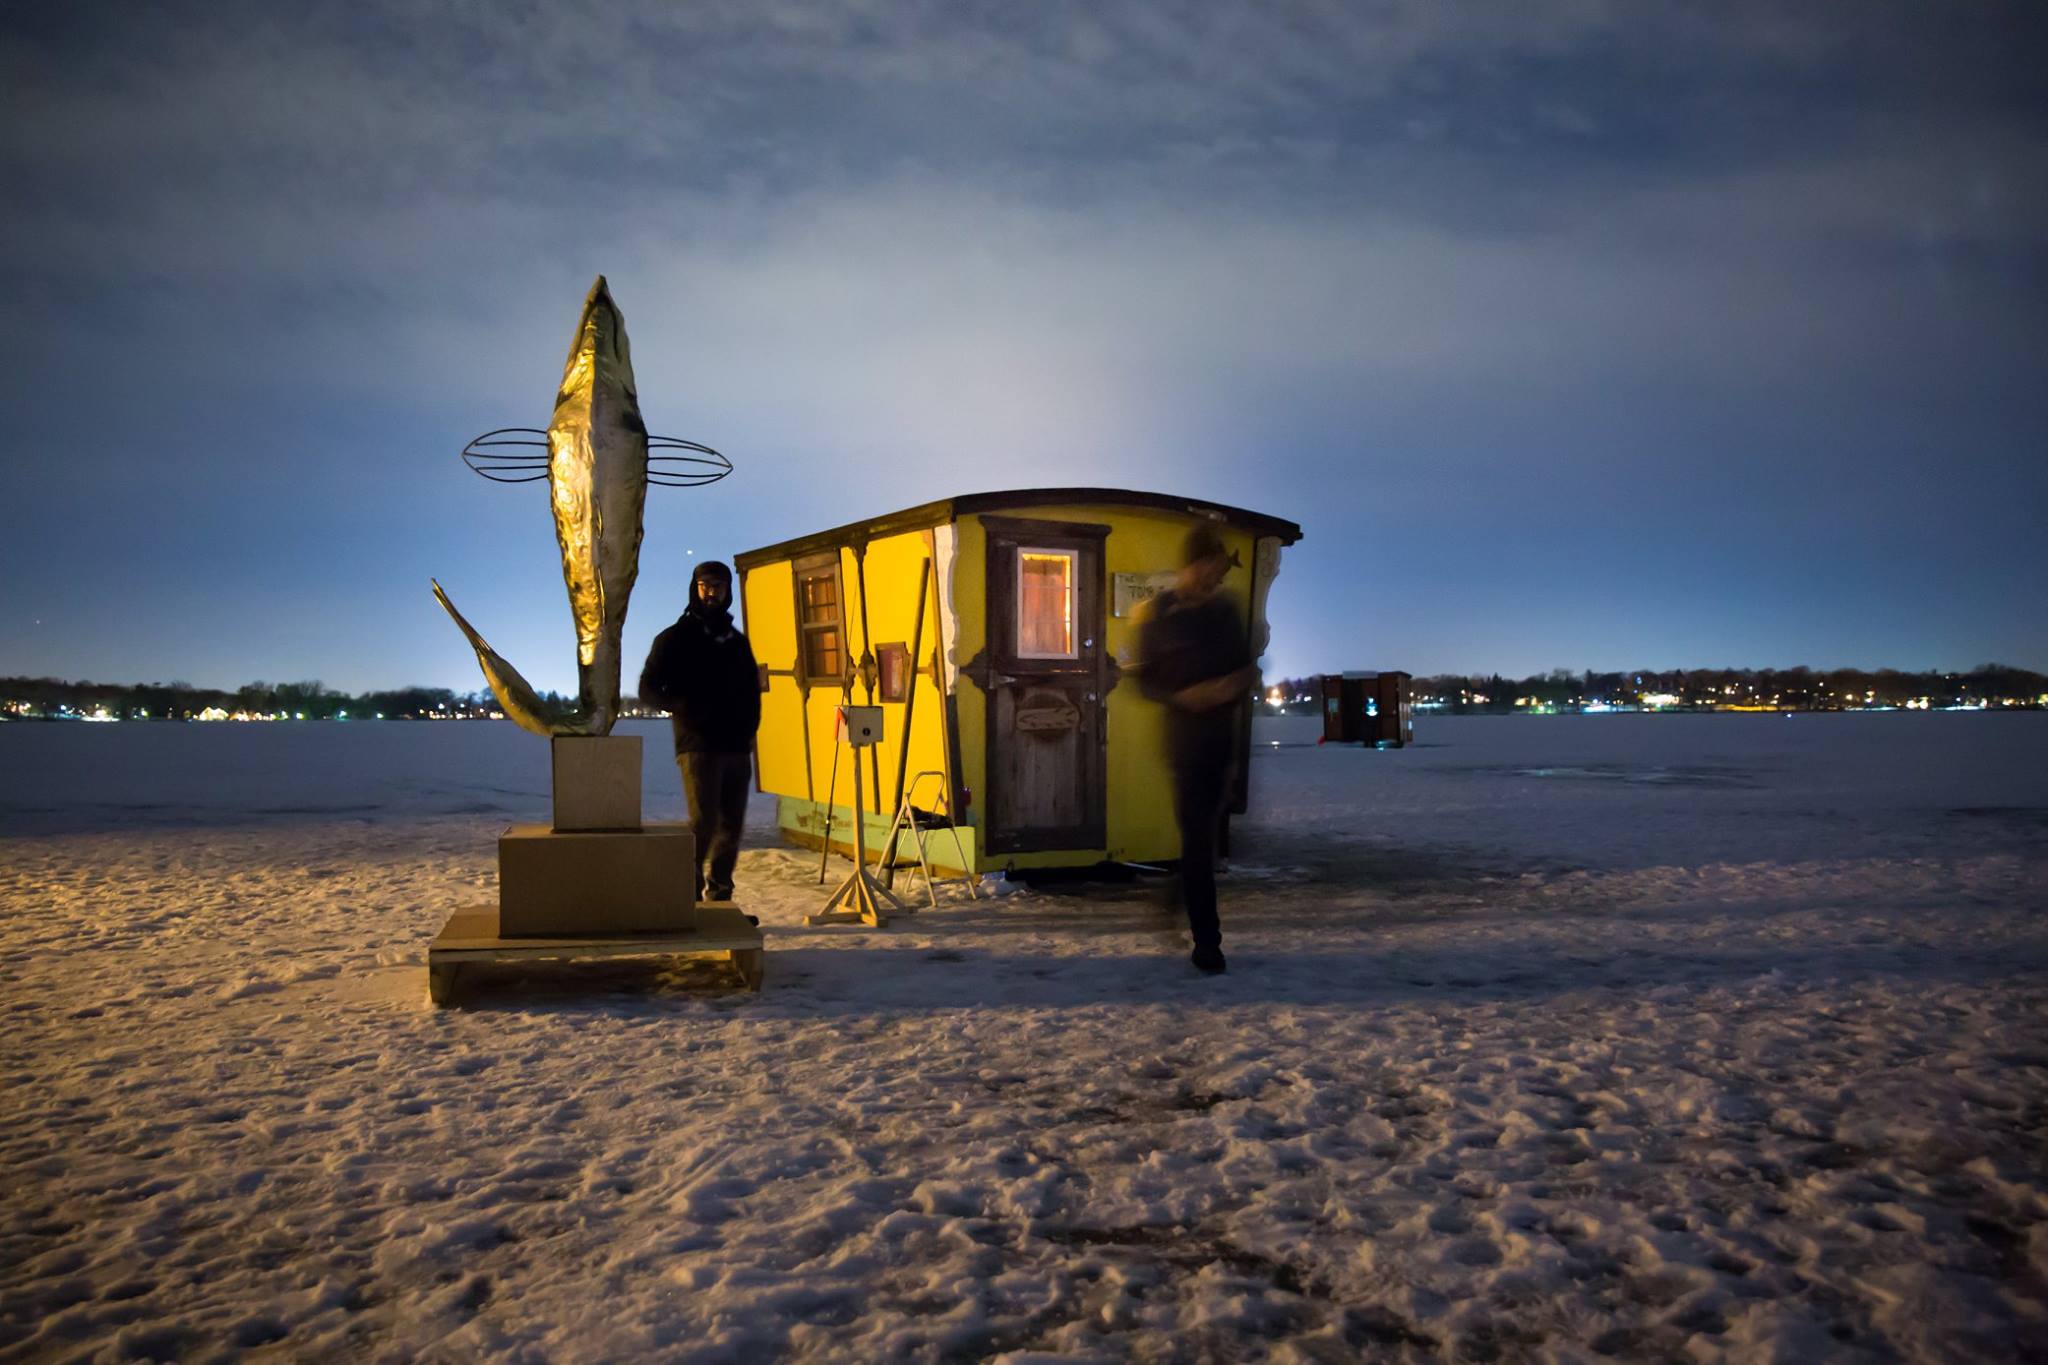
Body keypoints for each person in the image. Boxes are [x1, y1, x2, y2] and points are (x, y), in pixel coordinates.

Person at [1134, 525, 1259, 975]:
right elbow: (1143, 679)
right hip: (1184, 744)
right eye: (1213, 566)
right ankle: (1209, 945)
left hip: (1222, 742)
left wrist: (1237, 683)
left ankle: (1172, 897)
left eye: (1222, 570)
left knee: (1200, 842)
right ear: (1193, 564)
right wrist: (1181, 697)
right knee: (1200, 840)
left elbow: (1249, 669)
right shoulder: (1159, 613)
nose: (1218, 576)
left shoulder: (1227, 612)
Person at [638, 560, 761, 904]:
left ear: (727, 591)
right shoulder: (675, 639)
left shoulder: (736, 643)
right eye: (706, 585)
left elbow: (752, 691)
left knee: (731, 825)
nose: (712, 592)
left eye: (719, 586)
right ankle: (687, 894)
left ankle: (720, 893)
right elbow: (648, 687)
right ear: (695, 588)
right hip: (698, 746)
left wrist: (749, 729)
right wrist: (682, 706)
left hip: (736, 747)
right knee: (703, 821)